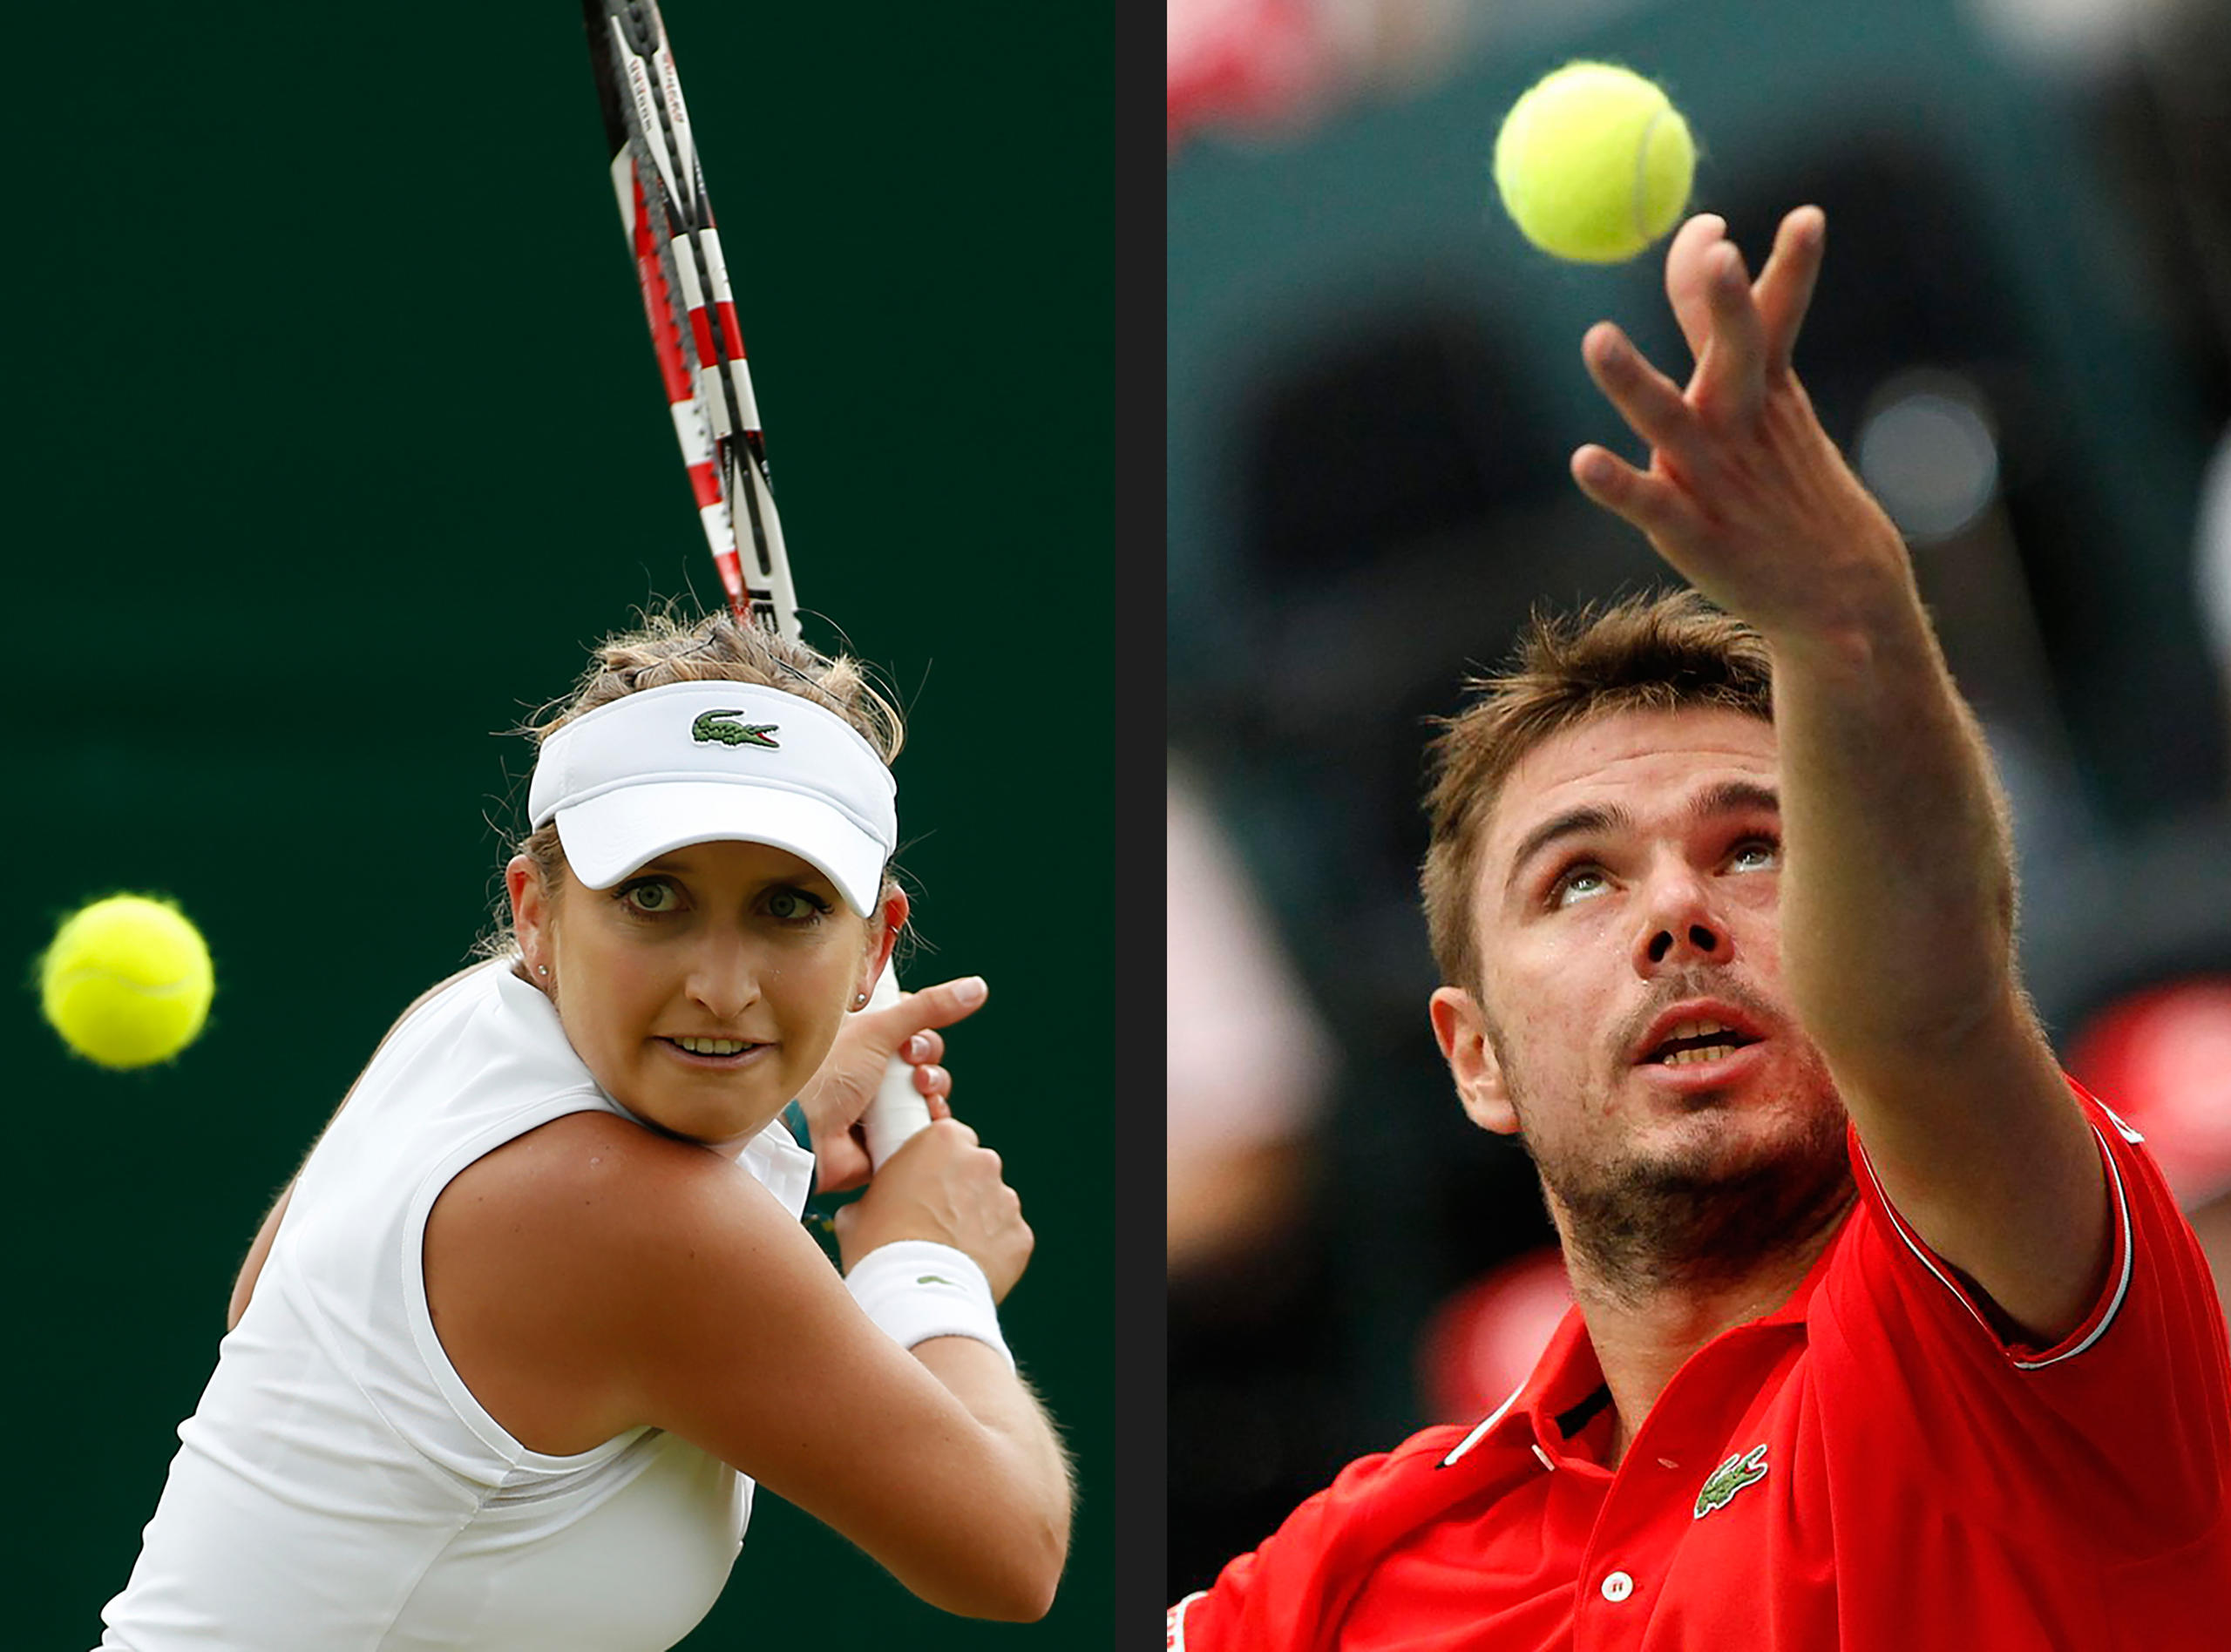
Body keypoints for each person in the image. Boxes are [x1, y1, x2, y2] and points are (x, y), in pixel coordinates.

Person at [1169, 207, 2231, 1649]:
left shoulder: (2007, 1335)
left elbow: (1928, 1015)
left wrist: (1845, 622)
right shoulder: (1347, 1578)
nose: (1678, 910)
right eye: (1579, 882)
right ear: (1473, 1057)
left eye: (1753, 849)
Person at [97, 610, 1071, 1649]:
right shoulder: (635, 1219)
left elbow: (264, 1307)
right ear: (536, 910)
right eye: (655, 897)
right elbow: (1010, 1553)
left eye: (789, 908)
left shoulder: (461, 1025)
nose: (722, 988)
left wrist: (778, 1114)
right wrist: (928, 1262)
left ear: (877, 944)